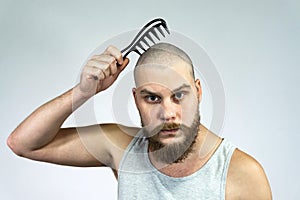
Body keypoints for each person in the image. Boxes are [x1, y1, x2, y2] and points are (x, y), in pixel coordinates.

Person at [7, 42, 272, 199]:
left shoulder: (241, 174)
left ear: (199, 92)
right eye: (153, 98)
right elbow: (23, 143)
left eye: (179, 95)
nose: (168, 113)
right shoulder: (122, 148)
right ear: (136, 99)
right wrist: (83, 92)